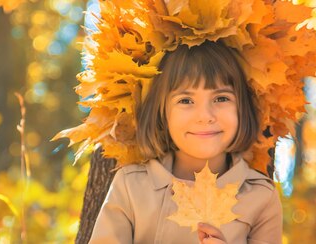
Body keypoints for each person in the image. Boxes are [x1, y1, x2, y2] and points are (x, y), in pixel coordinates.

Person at [88, 40, 282, 244]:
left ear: (242, 108)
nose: (205, 116)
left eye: (221, 98)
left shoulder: (260, 197)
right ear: (162, 113)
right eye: (186, 101)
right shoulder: (131, 186)